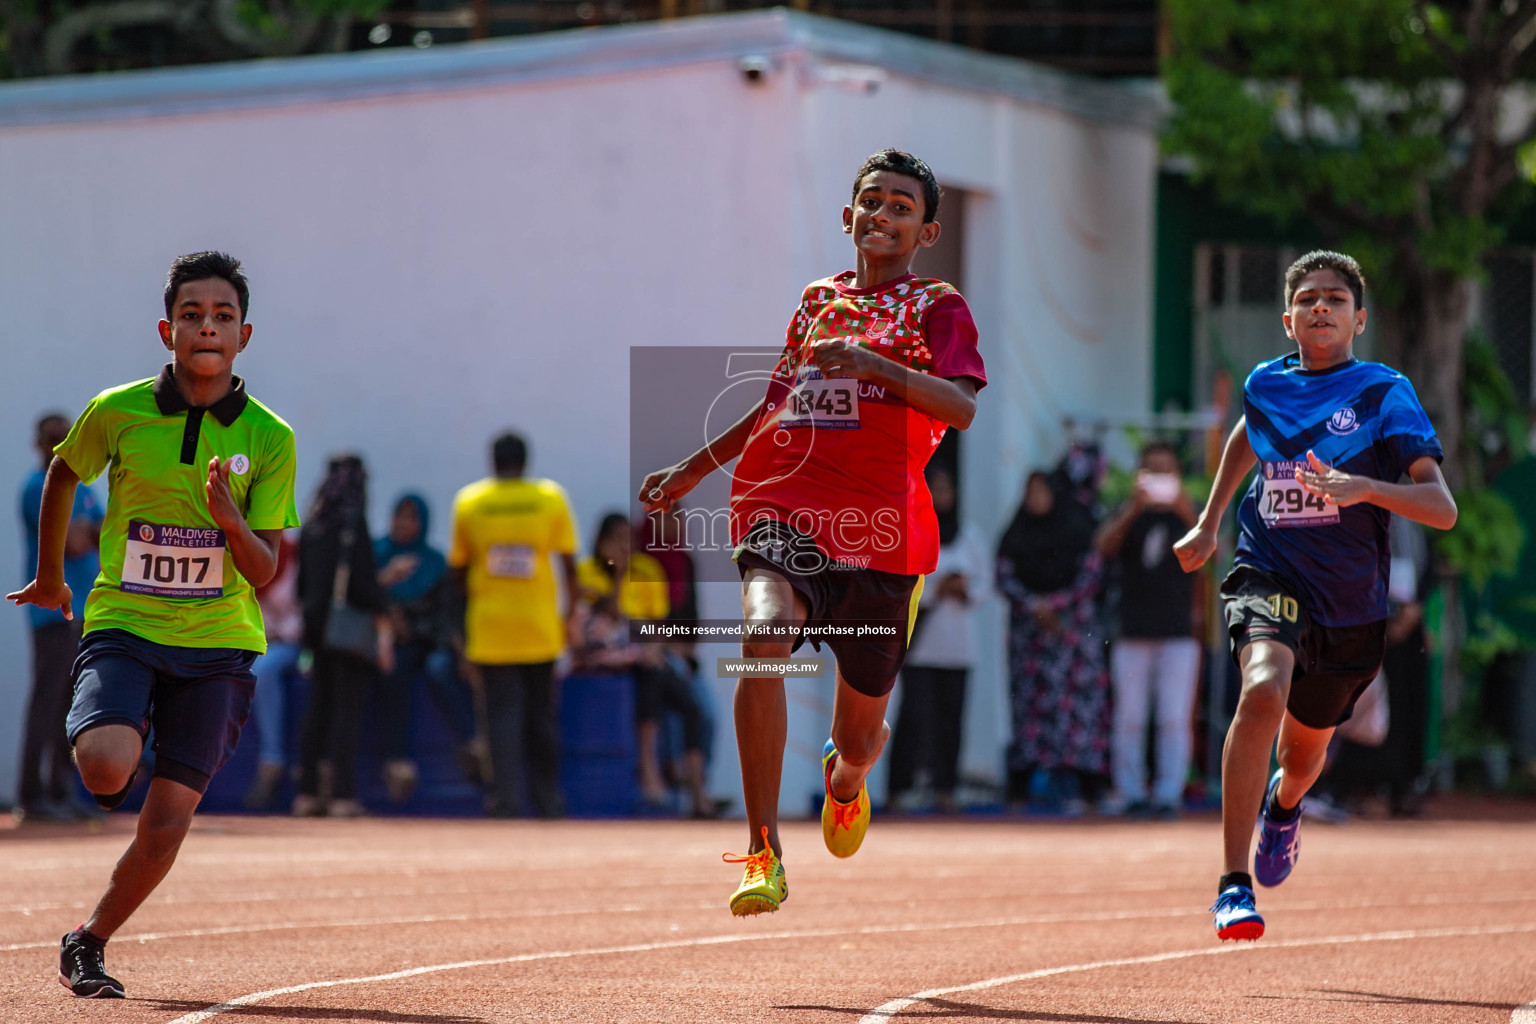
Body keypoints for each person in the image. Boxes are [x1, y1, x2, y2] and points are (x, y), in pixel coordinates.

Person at [639, 149, 986, 915]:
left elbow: (960, 408)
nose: (883, 214)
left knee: (860, 741)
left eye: (901, 206)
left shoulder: (938, 305)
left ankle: (847, 776)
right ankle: (763, 851)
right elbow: (773, 404)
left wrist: (870, 362)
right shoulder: (816, 299)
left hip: (885, 534)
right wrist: (693, 469)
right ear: (847, 215)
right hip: (786, 505)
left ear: (926, 231)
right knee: (762, 640)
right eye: (872, 201)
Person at [7, 252, 299, 997]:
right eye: (194, 314)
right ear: (169, 330)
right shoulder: (119, 409)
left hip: (220, 645)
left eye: (223, 316)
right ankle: (120, 733)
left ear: (245, 336)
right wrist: (48, 574)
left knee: (166, 825)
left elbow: (264, 572)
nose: (208, 325)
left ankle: (88, 940)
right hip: (126, 625)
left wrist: (231, 521)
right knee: (106, 765)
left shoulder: (270, 438)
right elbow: (66, 471)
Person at [1174, 250, 1457, 942]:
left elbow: (1441, 507)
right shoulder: (1266, 383)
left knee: (1302, 758)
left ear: (1359, 318)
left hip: (1351, 604)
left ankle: (1285, 804)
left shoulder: (1384, 392)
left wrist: (1366, 488)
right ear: (1287, 318)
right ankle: (1233, 886)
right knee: (1263, 689)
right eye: (1307, 299)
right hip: (1268, 567)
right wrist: (1211, 521)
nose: (1320, 307)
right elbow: (1250, 431)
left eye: (1334, 298)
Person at [449, 432, 577, 818]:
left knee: (499, 721)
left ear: (492, 461)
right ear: (526, 461)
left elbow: (457, 568)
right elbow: (569, 563)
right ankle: (547, 802)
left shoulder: (470, 501)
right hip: (539, 626)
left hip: (490, 628)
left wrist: (464, 623)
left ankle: (504, 801)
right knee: (542, 718)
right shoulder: (550, 497)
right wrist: (568, 615)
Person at [575, 512, 712, 817]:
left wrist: (650, 645)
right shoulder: (585, 571)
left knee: (692, 708)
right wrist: (620, 575)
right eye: (617, 540)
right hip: (603, 659)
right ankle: (651, 770)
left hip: (644, 657)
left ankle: (698, 793)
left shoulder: (649, 569)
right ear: (601, 542)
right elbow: (606, 616)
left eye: (629, 540)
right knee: (650, 677)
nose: (624, 547)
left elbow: (657, 625)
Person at [995, 469, 1110, 815]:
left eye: (1043, 491)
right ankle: (1021, 789)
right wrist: (1035, 606)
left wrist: (1056, 606)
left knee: (1078, 713)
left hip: (1071, 637)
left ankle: (1086, 789)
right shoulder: (1016, 534)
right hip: (1029, 641)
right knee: (1029, 712)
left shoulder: (1078, 529)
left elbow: (1092, 574)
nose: (1036, 499)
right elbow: (1002, 573)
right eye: (1031, 492)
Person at [1096, 441, 1200, 819]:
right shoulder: (1128, 512)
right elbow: (1102, 548)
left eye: (1165, 472)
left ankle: (1169, 795)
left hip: (1178, 633)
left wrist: (1185, 510)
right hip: (1132, 630)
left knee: (1174, 717)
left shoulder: (1189, 514)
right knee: (1129, 717)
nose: (1159, 479)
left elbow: (1217, 555)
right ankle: (1130, 793)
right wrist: (1133, 508)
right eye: (1151, 471)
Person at [15, 412, 104, 823]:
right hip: (52, 614)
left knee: (72, 705)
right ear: (38, 444)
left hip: (84, 608)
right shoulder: (39, 488)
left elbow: (106, 531)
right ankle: (31, 795)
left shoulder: (82, 487)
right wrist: (88, 531)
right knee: (47, 703)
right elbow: (75, 542)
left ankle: (61, 790)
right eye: (53, 440)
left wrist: (90, 530)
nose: (59, 447)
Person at [294, 454, 392, 817]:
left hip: (315, 632)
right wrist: (383, 604)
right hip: (347, 635)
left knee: (317, 710)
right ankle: (341, 795)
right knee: (345, 713)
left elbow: (303, 585)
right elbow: (363, 586)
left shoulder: (313, 522)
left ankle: (306, 793)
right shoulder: (353, 524)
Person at [886, 462, 986, 814]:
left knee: (951, 720)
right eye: (936, 490)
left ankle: (946, 787)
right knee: (913, 717)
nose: (942, 497)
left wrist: (965, 589)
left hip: (958, 646)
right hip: (922, 646)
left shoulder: (969, 535)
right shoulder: (914, 531)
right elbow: (902, 583)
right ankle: (899, 788)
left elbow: (984, 584)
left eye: (946, 490)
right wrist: (937, 588)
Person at [374, 493, 463, 803]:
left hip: (428, 641)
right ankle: (397, 763)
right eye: (399, 515)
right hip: (389, 643)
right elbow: (366, 597)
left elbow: (444, 615)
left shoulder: (436, 563)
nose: (403, 523)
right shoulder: (378, 554)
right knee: (394, 671)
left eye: (412, 517)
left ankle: (472, 745)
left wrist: (414, 629)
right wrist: (386, 588)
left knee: (440, 668)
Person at [242, 530, 301, 810]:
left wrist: (275, 635)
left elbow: (302, 613)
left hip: (287, 643)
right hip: (246, 640)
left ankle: (271, 762)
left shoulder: (295, 556)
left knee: (264, 670)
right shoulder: (240, 549)